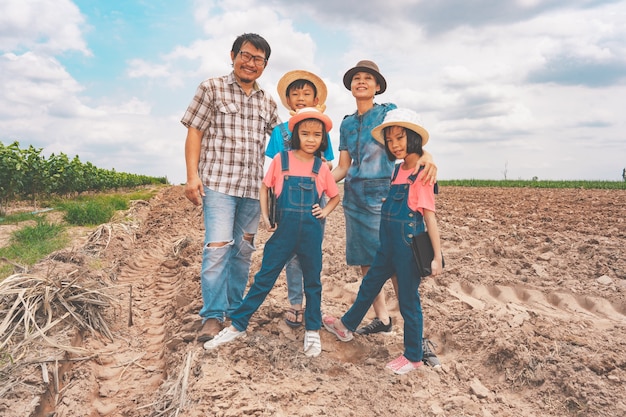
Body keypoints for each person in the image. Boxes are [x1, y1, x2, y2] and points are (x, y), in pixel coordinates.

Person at [205, 107, 341, 357]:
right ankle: (238, 325)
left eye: (316, 135)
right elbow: (265, 187)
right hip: (283, 233)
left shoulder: (320, 167)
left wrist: (326, 211)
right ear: (296, 135)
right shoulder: (282, 160)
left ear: (323, 139)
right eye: (305, 133)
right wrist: (266, 217)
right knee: (264, 279)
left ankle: (312, 329)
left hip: (311, 233)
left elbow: (335, 196)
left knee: (312, 282)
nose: (311, 139)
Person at [323, 108, 443, 374]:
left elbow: (430, 217)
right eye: (390, 140)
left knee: (409, 300)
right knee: (369, 285)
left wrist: (437, 257)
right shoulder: (398, 171)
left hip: (407, 245)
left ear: (413, 138)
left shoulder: (422, 175)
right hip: (386, 243)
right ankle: (346, 326)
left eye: (400, 138)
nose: (395, 145)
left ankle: (413, 355)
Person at [181, 33, 280, 343]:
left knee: (243, 252)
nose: (251, 63)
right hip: (219, 185)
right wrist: (192, 176)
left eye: (258, 59)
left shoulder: (268, 102)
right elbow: (194, 132)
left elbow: (282, 143)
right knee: (217, 249)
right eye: (246, 56)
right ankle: (212, 316)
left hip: (253, 190)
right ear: (234, 55)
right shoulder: (211, 88)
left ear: (264, 66)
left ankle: (235, 312)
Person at [331, 60, 437, 336]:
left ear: (378, 86)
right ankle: (383, 319)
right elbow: (342, 167)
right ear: (351, 86)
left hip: (384, 197)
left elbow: (411, 141)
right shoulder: (346, 124)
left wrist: (428, 157)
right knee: (367, 262)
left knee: (396, 265)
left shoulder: (388, 113)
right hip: (354, 199)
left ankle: (414, 332)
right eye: (356, 78)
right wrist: (316, 181)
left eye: (368, 78)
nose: (361, 82)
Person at [266, 70, 335, 328]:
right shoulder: (279, 132)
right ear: (288, 100)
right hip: (287, 202)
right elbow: (271, 168)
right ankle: (295, 304)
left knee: (310, 254)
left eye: (306, 93)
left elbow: (327, 164)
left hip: (313, 200)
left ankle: (312, 305)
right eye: (295, 94)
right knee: (290, 256)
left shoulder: (321, 128)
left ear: (316, 98)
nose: (300, 98)